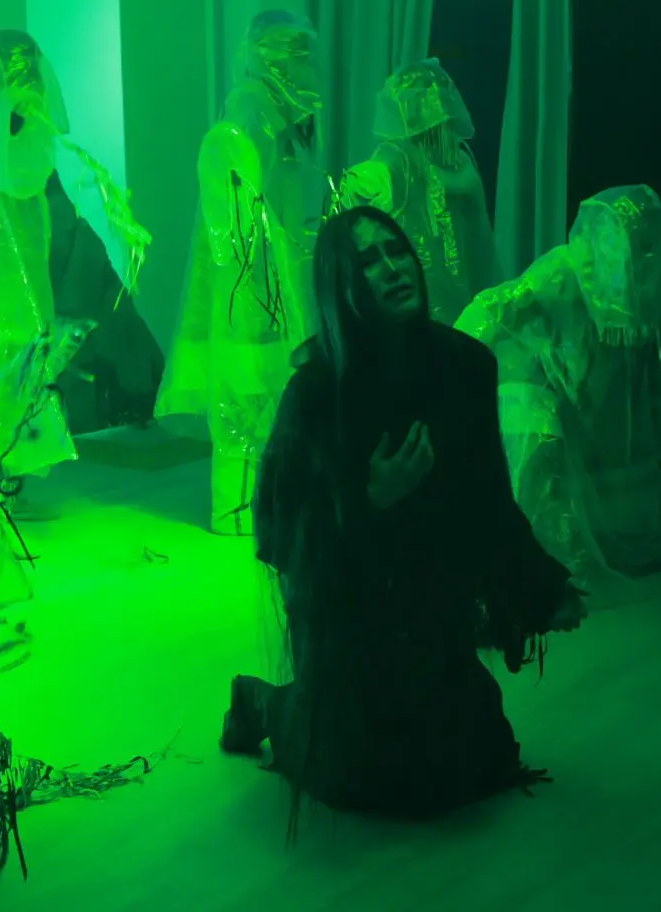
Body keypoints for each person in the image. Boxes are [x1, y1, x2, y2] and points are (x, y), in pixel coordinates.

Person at [220, 206, 585, 827]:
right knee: (358, 780)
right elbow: (281, 530)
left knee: (477, 765)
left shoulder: (465, 366)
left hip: (429, 603)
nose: (391, 268)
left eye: (396, 251)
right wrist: (368, 501)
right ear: (342, 286)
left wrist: (541, 588)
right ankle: (264, 703)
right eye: (368, 261)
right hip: (348, 609)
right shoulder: (316, 392)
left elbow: (488, 499)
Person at [0, 30, 153, 511]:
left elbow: (28, 179)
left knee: (11, 379)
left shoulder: (14, 119)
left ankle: (3, 480)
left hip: (11, 277)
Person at [456, 185, 661, 597]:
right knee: (541, 442)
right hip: (537, 374)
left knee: (619, 444)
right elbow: (492, 310)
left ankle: (605, 546)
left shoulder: (655, 286)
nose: (638, 255)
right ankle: (554, 560)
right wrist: (453, 363)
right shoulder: (563, 271)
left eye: (647, 245)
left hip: (591, 382)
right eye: (627, 242)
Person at [155, 10, 331, 536]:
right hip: (251, 290)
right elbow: (237, 220)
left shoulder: (284, 116)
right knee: (245, 397)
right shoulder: (251, 110)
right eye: (292, 54)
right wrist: (261, 287)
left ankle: (264, 503)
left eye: (305, 53)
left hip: (275, 285)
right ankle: (235, 509)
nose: (303, 66)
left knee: (271, 395)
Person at [338, 60, 498, 327]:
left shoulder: (461, 167)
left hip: (462, 322)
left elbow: (480, 250)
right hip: (401, 325)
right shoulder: (377, 176)